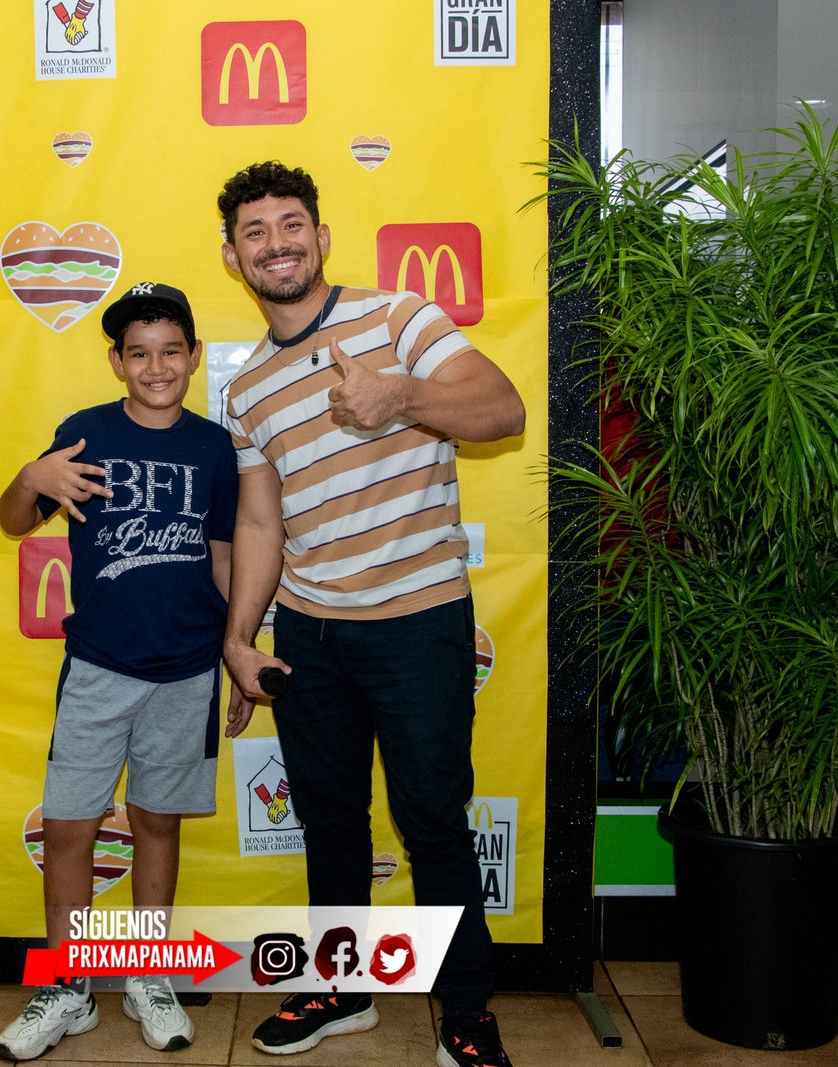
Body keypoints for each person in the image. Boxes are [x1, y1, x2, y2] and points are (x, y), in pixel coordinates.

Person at [215, 161, 527, 1067]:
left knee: (432, 817)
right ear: (232, 256)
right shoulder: (245, 390)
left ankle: (465, 1009)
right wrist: (239, 637)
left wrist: (403, 396)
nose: (276, 243)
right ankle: (341, 987)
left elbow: (504, 409)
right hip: (310, 633)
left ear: (320, 236)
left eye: (291, 224)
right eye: (255, 231)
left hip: (419, 622)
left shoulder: (399, 319)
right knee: (329, 819)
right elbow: (261, 521)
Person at [0, 282, 241, 1061]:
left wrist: (237, 646)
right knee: (70, 824)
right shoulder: (85, 432)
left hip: (188, 669)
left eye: (171, 350)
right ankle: (67, 985)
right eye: (139, 352)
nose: (156, 366)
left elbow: (225, 555)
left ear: (194, 357)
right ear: (116, 360)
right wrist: (30, 478)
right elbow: (12, 520)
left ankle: (146, 973)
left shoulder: (215, 447)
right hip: (99, 665)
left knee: (157, 822)